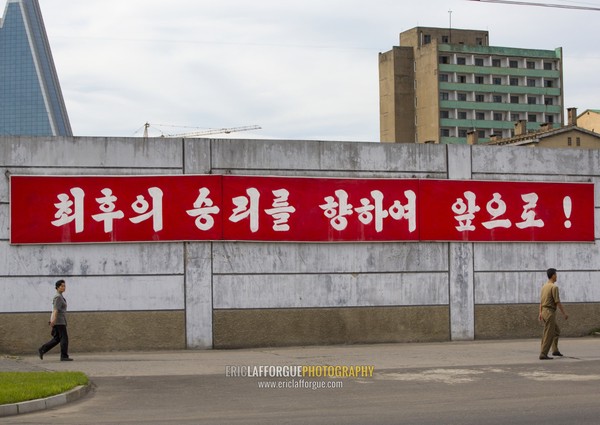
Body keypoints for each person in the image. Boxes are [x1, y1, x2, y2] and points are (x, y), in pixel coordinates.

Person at [38, 279, 73, 361]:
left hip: (60, 320)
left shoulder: (60, 296)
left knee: (57, 339)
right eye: (62, 286)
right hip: (59, 321)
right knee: (64, 338)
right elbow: (55, 310)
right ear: (57, 287)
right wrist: (53, 320)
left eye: (64, 286)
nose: (64, 287)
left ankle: (42, 349)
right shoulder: (58, 297)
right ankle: (64, 356)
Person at [538, 268, 568, 360]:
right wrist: (564, 313)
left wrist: (540, 312)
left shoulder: (544, 286)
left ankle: (555, 350)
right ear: (553, 275)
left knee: (556, 331)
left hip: (544, 311)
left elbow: (541, 301)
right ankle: (543, 353)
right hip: (549, 312)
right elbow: (557, 302)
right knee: (549, 333)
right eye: (556, 274)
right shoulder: (554, 287)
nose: (557, 276)